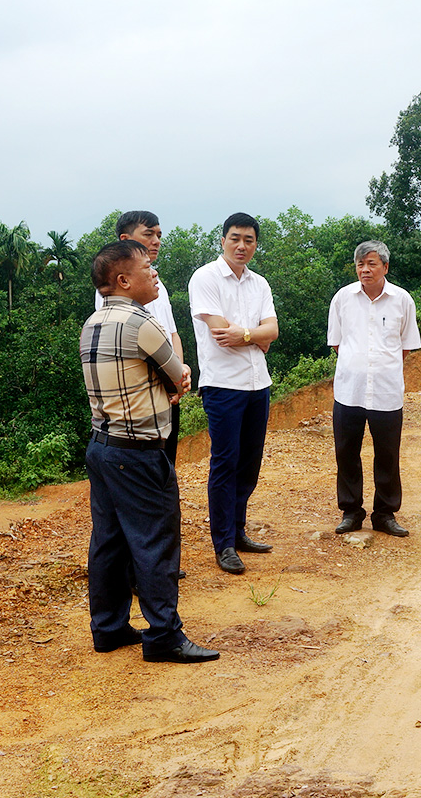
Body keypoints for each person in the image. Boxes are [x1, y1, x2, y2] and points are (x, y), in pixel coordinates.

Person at [81, 239, 218, 663]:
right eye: (146, 267)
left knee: (109, 541)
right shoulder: (143, 323)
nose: (155, 272)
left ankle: (108, 628)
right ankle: (165, 637)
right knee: (156, 540)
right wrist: (176, 379)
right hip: (138, 450)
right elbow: (177, 377)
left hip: (102, 446)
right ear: (123, 280)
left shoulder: (91, 323)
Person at [188, 213, 278, 574]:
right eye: (235, 238)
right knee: (225, 463)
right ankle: (223, 544)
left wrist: (252, 336)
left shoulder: (260, 284)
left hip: (259, 385)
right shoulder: (205, 278)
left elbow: (272, 330)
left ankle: (238, 532)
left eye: (249, 240)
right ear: (223, 239)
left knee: (249, 463)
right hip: (223, 385)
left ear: (256, 244)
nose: (242, 246)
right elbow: (218, 332)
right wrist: (254, 336)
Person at [328, 241, 421, 537]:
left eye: (371, 264)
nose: (365, 270)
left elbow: (406, 346)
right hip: (349, 391)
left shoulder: (402, 300)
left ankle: (385, 513)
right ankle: (351, 511)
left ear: (385, 267)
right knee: (346, 452)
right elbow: (337, 343)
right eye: (360, 264)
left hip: (386, 391)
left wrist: (381, 366)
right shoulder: (343, 298)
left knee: (387, 454)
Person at [96, 211, 190, 464]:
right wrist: (174, 378)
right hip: (141, 399)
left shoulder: (158, 285)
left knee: (166, 464)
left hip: (169, 391)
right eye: (148, 234)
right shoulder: (112, 289)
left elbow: (172, 335)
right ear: (125, 239)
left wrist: (178, 379)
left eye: (159, 234)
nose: (157, 240)